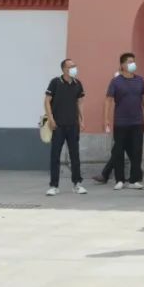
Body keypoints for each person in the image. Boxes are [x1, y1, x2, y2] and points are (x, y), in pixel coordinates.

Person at [104, 52, 144, 190]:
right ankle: (119, 180)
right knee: (118, 151)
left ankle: (134, 180)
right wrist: (106, 119)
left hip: (137, 121)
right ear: (122, 65)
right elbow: (108, 100)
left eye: (133, 61)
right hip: (121, 122)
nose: (133, 64)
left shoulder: (140, 80)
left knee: (137, 151)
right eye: (130, 62)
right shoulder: (116, 81)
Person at [44, 59, 87, 196]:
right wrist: (50, 119)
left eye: (75, 65)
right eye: (71, 66)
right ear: (64, 69)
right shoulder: (55, 82)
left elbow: (79, 103)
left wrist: (82, 119)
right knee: (55, 155)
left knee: (75, 155)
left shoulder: (77, 84)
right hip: (58, 125)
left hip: (73, 125)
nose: (74, 68)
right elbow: (47, 101)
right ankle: (54, 185)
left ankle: (77, 184)